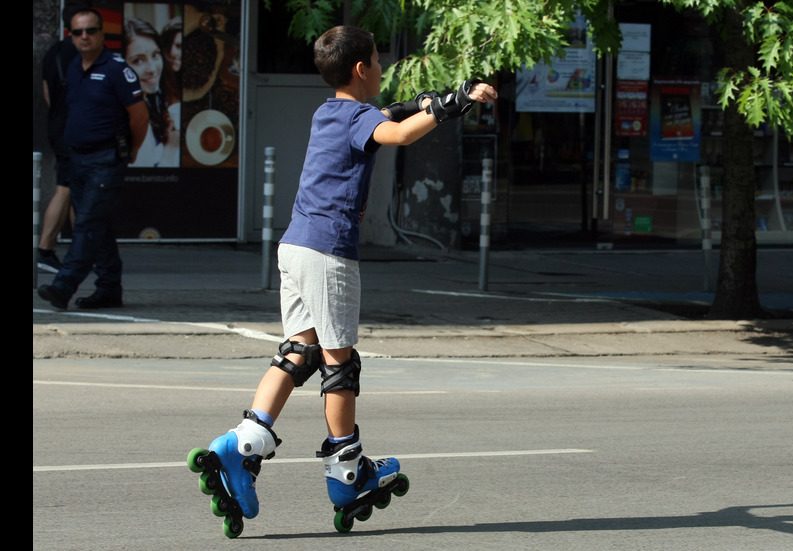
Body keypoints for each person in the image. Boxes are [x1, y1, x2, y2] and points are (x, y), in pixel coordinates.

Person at [192, 25, 496, 535]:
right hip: (327, 252)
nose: (381, 68)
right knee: (340, 363)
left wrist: (425, 102)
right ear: (361, 69)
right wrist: (455, 103)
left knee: (299, 351)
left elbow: (388, 116)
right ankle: (348, 472)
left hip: (295, 246)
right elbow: (394, 132)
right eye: (378, 61)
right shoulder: (357, 116)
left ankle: (241, 445)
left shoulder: (330, 111)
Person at [37, 8, 149, 310]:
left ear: (102, 34)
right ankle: (109, 288)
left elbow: (139, 117)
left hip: (106, 158)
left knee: (87, 223)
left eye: (90, 31)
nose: (84, 37)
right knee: (97, 225)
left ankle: (64, 285)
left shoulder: (117, 69)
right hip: (78, 160)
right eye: (78, 32)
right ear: (70, 36)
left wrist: (131, 149)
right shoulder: (74, 67)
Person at [37, 0, 91, 273]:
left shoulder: (53, 53)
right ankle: (45, 250)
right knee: (67, 188)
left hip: (59, 126)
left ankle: (81, 251)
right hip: (76, 129)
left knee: (73, 188)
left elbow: (48, 95)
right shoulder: (87, 53)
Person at [124, 17, 180, 167]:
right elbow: (145, 180)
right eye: (138, 60)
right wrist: (170, 149)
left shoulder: (147, 100)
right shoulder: (125, 118)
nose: (152, 69)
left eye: (155, 55)